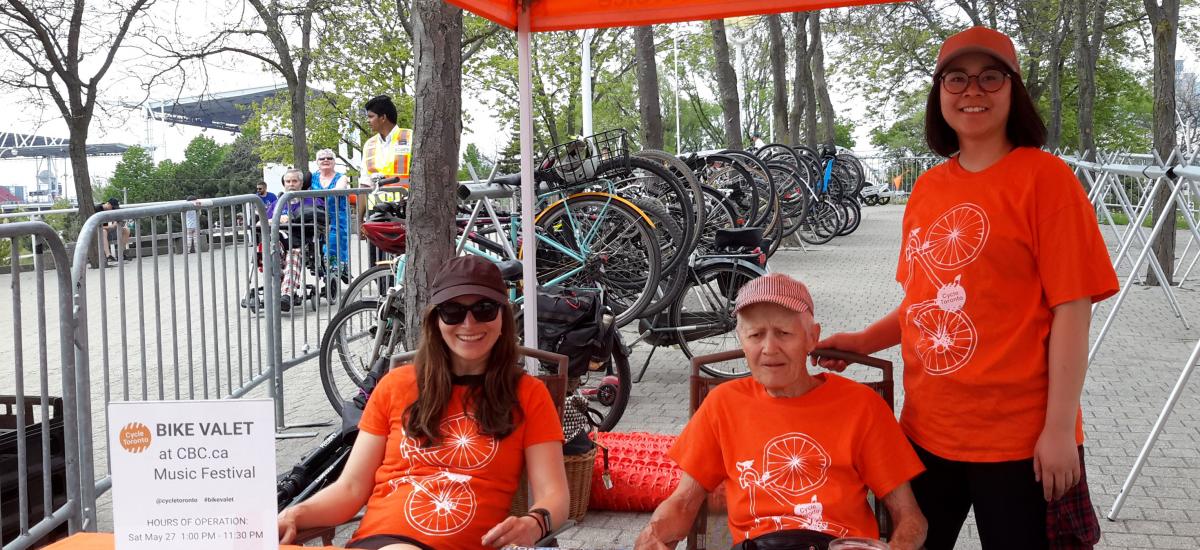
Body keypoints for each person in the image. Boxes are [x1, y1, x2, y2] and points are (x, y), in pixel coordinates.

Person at [816, 27, 1118, 550]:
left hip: (1021, 442)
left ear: (1013, 90)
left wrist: (1059, 430)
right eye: (956, 78)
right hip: (926, 433)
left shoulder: (1046, 180)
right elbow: (922, 302)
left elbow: (1073, 310)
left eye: (989, 78)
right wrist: (863, 341)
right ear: (939, 94)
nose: (972, 91)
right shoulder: (929, 187)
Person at [277, 255, 569, 549]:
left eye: (484, 309)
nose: (469, 323)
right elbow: (351, 488)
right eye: (452, 311)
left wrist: (535, 523)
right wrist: (294, 515)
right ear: (436, 320)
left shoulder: (528, 394)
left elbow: (554, 494)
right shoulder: (394, 386)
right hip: (379, 541)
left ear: (502, 317)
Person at [635, 273, 927, 550]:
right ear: (742, 342)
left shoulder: (862, 406)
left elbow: (910, 516)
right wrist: (653, 534)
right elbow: (684, 503)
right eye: (755, 335)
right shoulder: (722, 404)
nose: (769, 348)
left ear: (812, 337)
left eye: (784, 333)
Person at [271, 169, 323, 311]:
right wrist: (272, 220)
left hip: (300, 243)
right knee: (268, 252)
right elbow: (261, 222)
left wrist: (293, 218)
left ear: (301, 183)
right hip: (277, 243)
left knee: (293, 255)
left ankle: (286, 295)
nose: (291, 184)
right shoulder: (277, 204)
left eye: (295, 181)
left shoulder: (312, 200)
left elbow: (321, 219)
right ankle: (282, 289)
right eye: (288, 181)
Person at [310, 149, 351, 277]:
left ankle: (336, 270)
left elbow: (339, 189)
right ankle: (326, 269)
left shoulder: (341, 177)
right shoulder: (312, 177)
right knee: (319, 245)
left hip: (338, 216)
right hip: (317, 217)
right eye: (322, 158)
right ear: (317, 162)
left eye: (329, 158)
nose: (326, 160)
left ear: (334, 162)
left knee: (334, 244)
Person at [95, 198, 130, 264]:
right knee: (103, 231)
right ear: (108, 203)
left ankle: (121, 254)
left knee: (126, 230)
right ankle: (108, 255)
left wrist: (118, 222)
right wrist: (111, 226)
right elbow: (96, 226)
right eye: (112, 207)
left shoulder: (112, 209)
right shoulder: (97, 209)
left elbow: (117, 220)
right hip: (97, 232)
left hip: (107, 231)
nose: (113, 209)